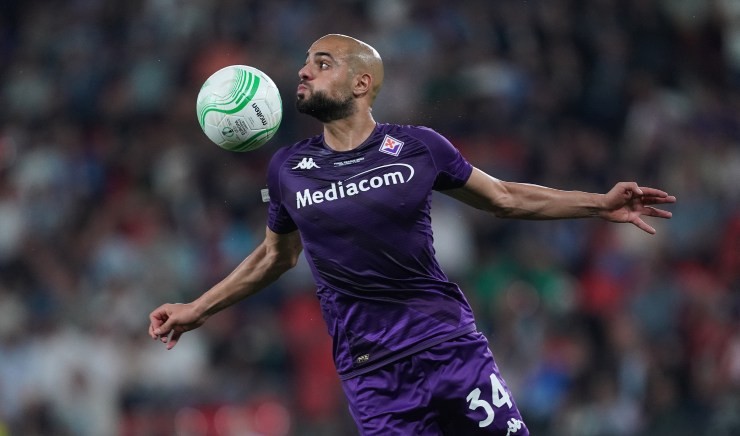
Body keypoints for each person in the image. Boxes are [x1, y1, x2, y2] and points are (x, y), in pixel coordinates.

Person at [148, 34, 676, 435]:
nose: (303, 72)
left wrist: (597, 203)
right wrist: (199, 308)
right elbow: (275, 258)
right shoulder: (289, 168)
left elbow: (506, 198)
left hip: (449, 347)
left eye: (321, 63)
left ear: (361, 84)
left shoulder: (419, 147)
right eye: (306, 63)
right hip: (372, 373)